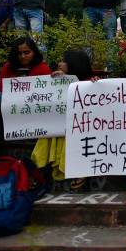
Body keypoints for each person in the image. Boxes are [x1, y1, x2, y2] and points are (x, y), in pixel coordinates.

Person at [31, 50, 95, 189]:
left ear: (74, 64)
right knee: (51, 131)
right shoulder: (57, 80)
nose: (59, 63)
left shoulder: (91, 83)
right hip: (63, 127)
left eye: (63, 61)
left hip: (85, 127)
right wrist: (61, 82)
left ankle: (77, 169)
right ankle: (39, 169)